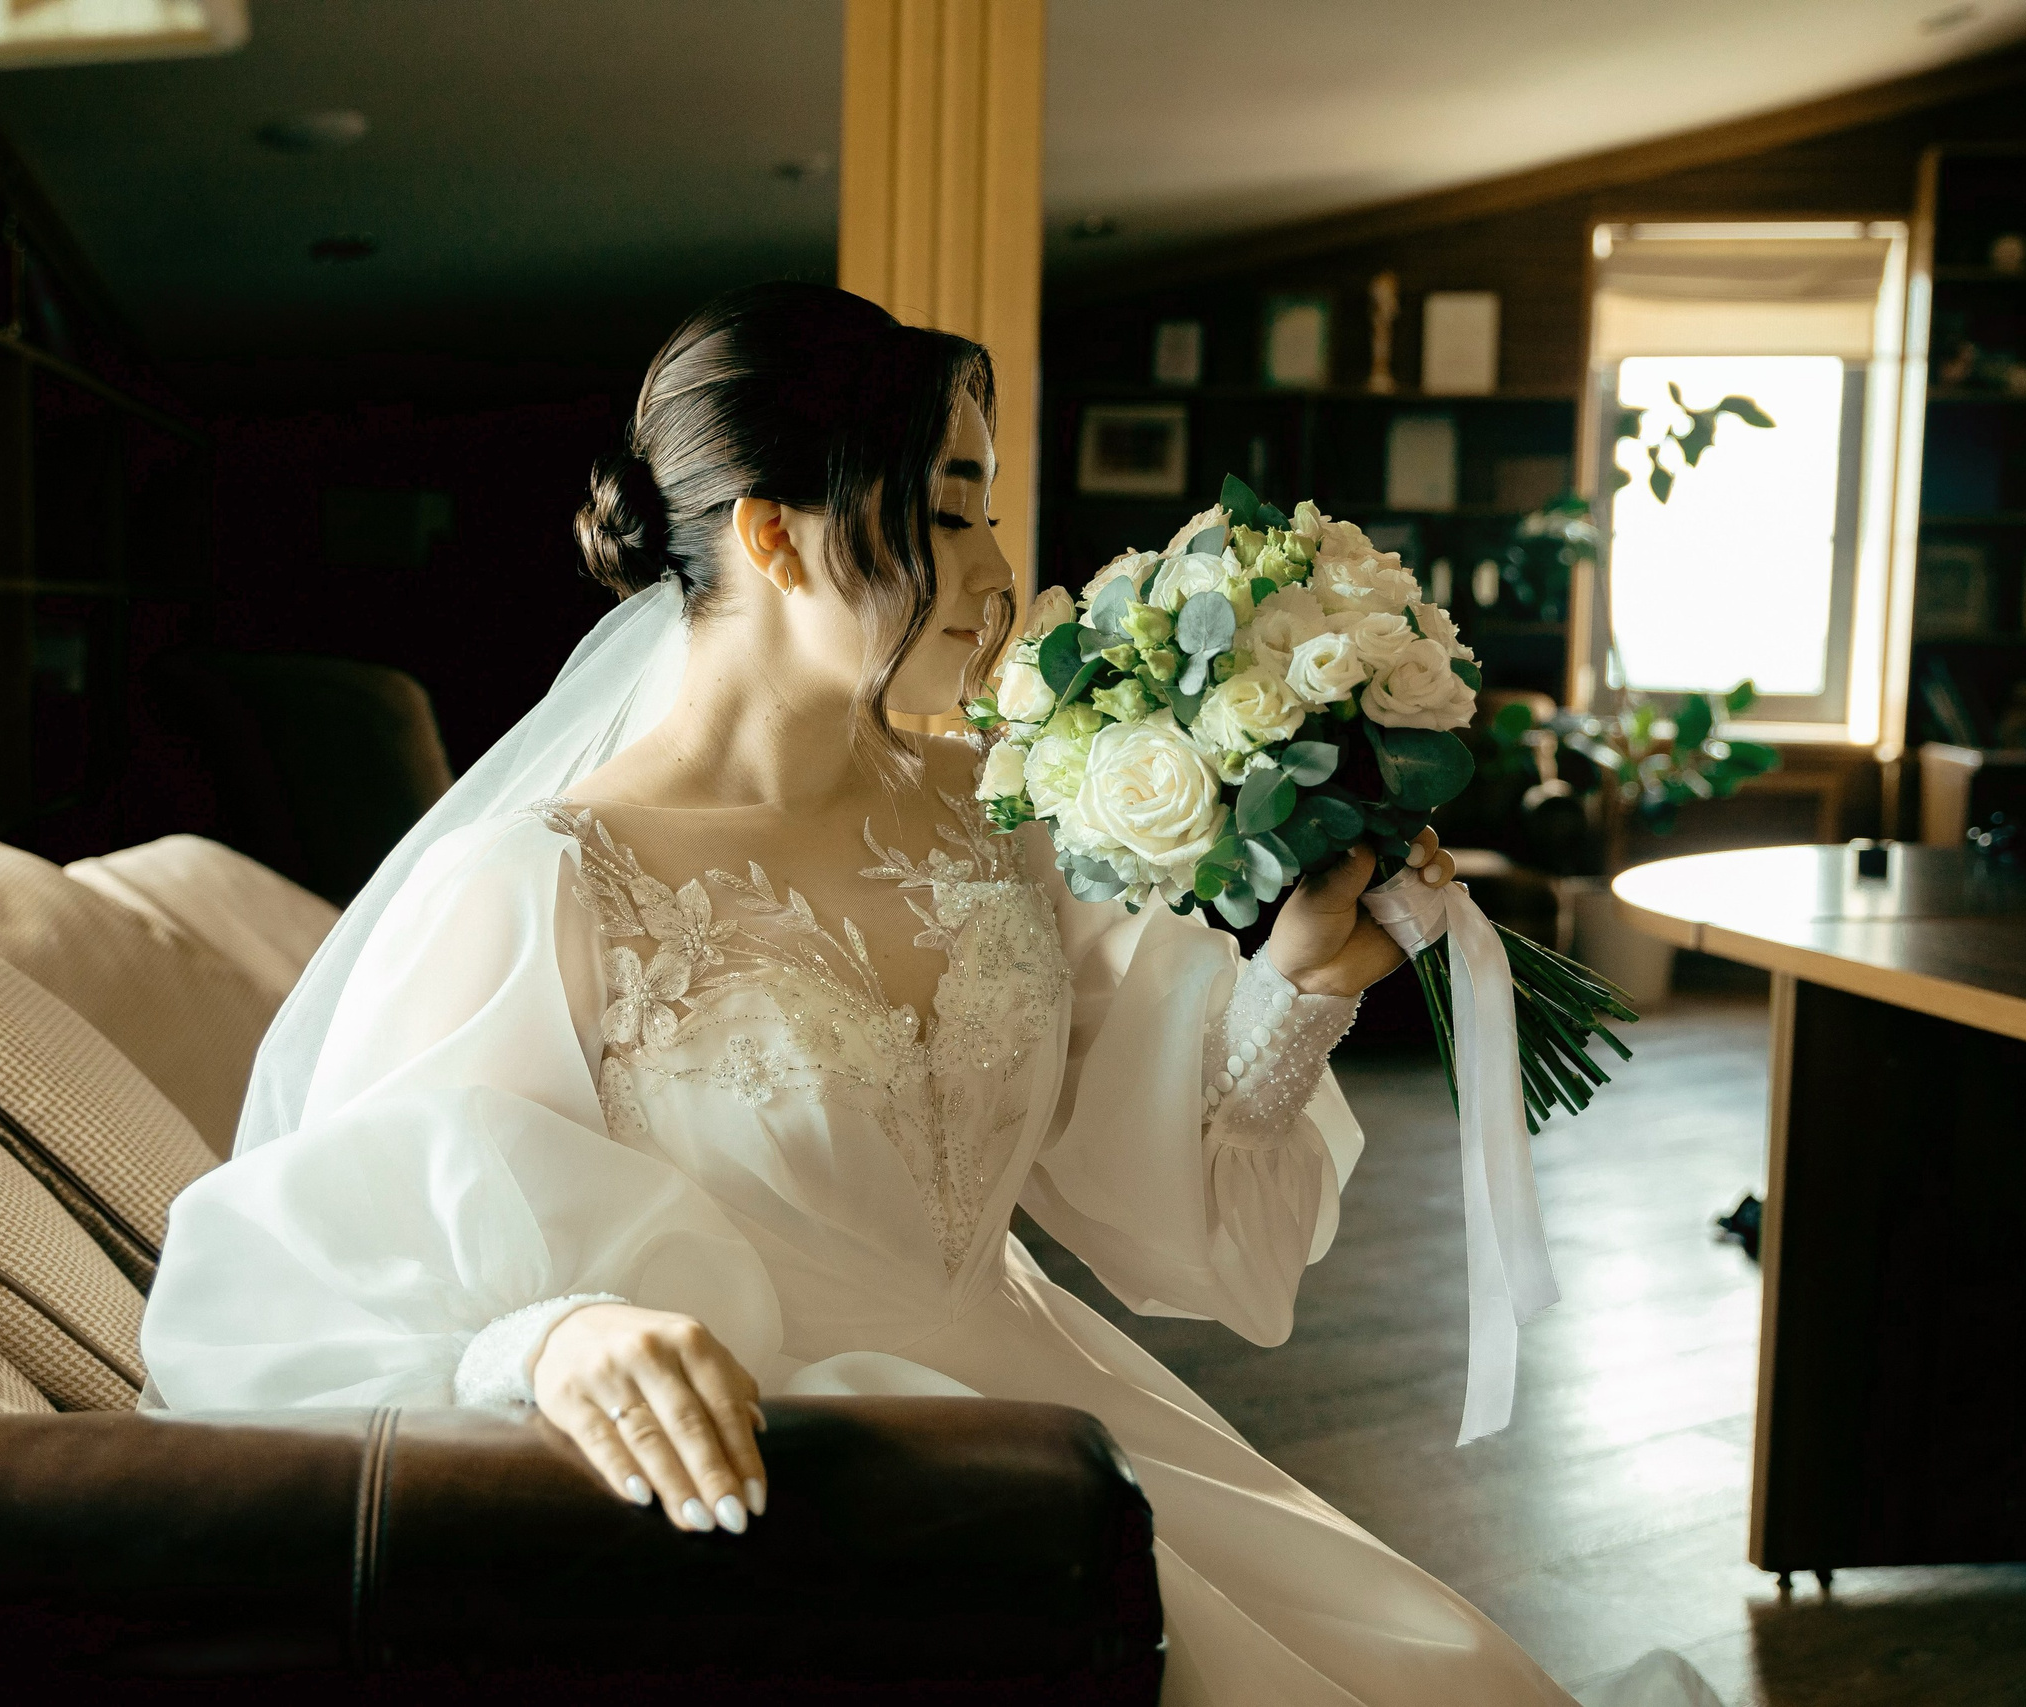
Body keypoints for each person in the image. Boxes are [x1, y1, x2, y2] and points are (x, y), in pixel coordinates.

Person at [142, 282, 1580, 1705]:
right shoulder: (542, 882)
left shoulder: (1005, 818)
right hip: (782, 1489)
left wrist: (1304, 981)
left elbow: (1142, 1151)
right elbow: (338, 1244)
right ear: (774, 534)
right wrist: (553, 1334)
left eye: (991, 511)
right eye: (949, 511)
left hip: (1050, 1424)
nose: (997, 569)